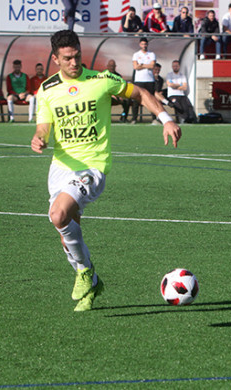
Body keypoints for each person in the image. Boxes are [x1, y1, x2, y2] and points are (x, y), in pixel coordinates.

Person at [30, 30, 181, 312]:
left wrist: (165, 119)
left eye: (77, 56)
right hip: (61, 167)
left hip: (92, 166)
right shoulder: (47, 89)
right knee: (67, 231)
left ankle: (83, 273)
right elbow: (44, 124)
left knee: (58, 214)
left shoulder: (102, 80)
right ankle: (92, 280)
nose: (74, 63)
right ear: (55, 60)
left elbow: (140, 93)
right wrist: (40, 137)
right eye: (67, 59)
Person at [130, 37, 157, 124]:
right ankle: (134, 119)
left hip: (149, 80)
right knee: (136, 100)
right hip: (139, 81)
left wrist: (141, 65)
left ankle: (154, 119)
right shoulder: (136, 54)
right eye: (142, 44)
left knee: (151, 100)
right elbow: (135, 67)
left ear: (147, 44)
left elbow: (152, 66)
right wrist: (145, 65)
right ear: (139, 44)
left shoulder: (152, 54)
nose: (144, 46)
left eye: (145, 44)